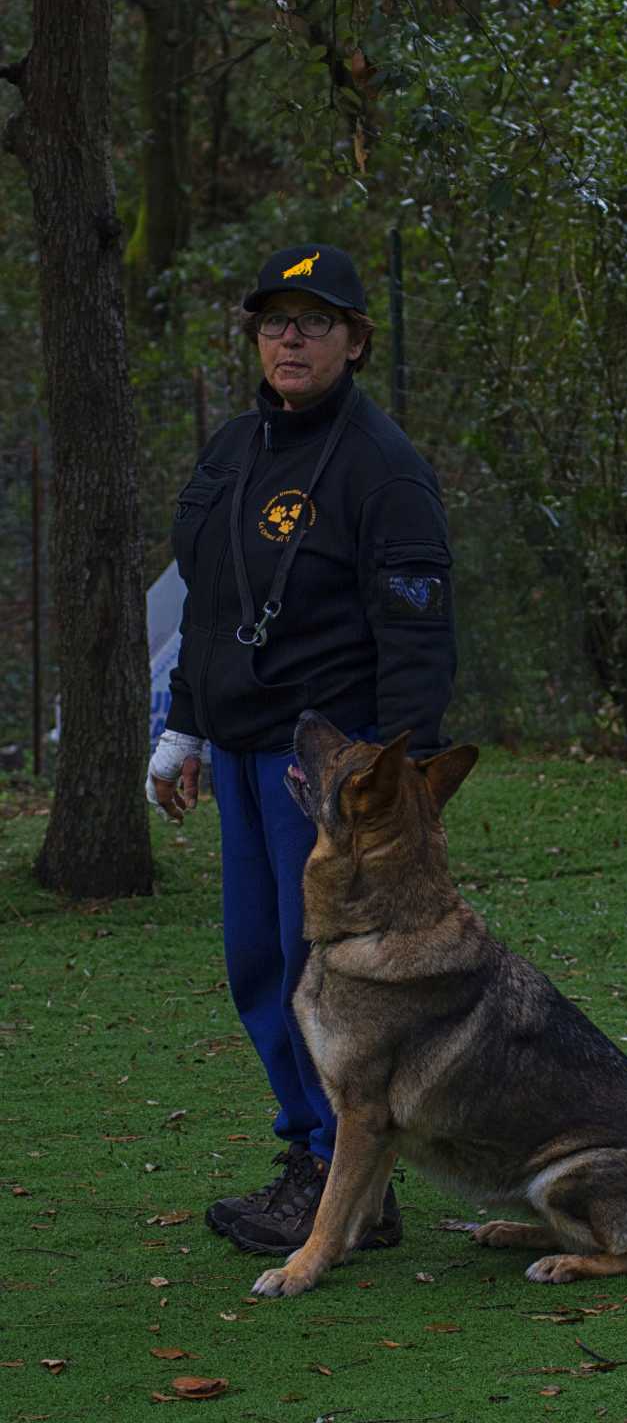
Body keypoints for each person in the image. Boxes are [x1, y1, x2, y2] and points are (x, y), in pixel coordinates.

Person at [146, 243, 457, 1257]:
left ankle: (342, 1175)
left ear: (353, 343)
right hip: (235, 750)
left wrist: (404, 787)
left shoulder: (384, 468)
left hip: (327, 777)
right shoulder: (233, 449)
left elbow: (417, 632)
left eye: (313, 321)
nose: (289, 336)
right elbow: (205, 606)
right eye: (275, 320)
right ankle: (320, 1155)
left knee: (319, 971)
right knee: (256, 964)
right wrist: (181, 727)